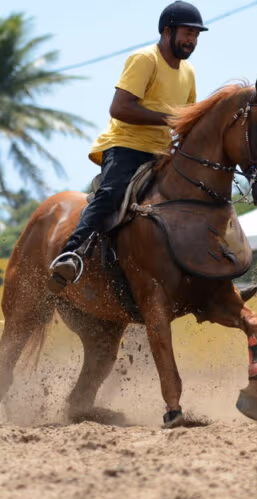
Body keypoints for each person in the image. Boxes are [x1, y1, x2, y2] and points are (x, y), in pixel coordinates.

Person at [48, 1, 207, 292]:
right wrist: (169, 118)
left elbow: (186, 119)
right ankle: (71, 252)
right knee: (111, 194)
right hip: (127, 146)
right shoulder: (144, 58)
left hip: (162, 154)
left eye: (197, 36)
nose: (192, 40)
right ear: (167, 31)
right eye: (188, 33)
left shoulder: (190, 72)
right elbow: (119, 108)